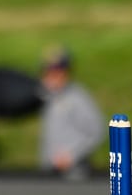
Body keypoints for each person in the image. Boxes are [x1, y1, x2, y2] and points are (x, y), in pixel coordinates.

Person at [38, 45, 105, 178]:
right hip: (50, 171)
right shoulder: (48, 96)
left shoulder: (77, 98)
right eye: (49, 71)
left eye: (58, 71)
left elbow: (97, 131)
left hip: (73, 172)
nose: (53, 76)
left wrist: (72, 155)